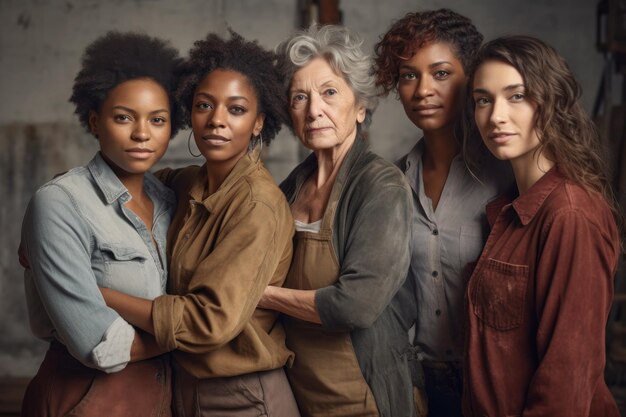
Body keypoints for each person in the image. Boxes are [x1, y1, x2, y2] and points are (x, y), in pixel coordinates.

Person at [99, 32, 300, 416]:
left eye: (236, 110)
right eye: (204, 105)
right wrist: (58, 217)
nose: (217, 120)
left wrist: (97, 293)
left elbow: (209, 321)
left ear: (259, 123)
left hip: (242, 397)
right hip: (184, 390)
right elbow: (120, 184)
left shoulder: (258, 204)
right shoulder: (185, 182)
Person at [20, 32, 184, 417]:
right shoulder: (60, 202)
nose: (142, 133)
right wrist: (199, 333)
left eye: (157, 120)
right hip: (87, 400)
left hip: (167, 398)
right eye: (124, 117)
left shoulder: (171, 200)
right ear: (95, 121)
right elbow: (102, 348)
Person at [258, 25, 414, 417]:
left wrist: (259, 294)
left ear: (360, 106)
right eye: (299, 97)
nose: (314, 110)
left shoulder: (382, 186)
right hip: (297, 390)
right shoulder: (291, 186)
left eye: (329, 92)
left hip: (360, 394)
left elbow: (355, 307)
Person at [465, 35, 622, 417]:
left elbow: (566, 379)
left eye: (516, 96)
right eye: (483, 99)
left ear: (550, 101)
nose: (496, 115)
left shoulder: (570, 214)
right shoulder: (510, 209)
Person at [373, 9, 510, 417]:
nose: (422, 90)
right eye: (408, 75)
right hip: (421, 384)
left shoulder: (504, 175)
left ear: (470, 78)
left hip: (493, 383)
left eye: (441, 73)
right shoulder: (394, 180)